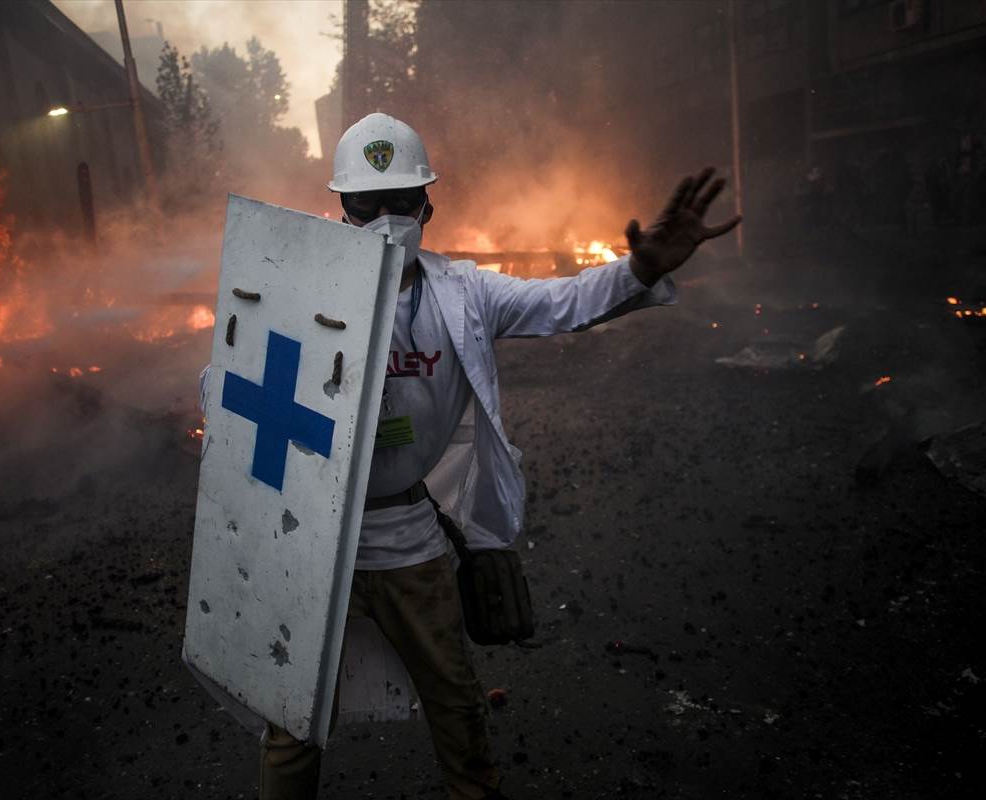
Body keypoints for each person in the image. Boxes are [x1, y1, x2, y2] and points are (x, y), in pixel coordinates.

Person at [255, 112, 740, 799]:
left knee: (455, 707)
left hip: (408, 545)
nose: (385, 219)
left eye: (400, 203)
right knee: (290, 721)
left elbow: (563, 301)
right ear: (340, 209)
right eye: (367, 204)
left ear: (428, 205)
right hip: (313, 538)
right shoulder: (294, 298)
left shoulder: (463, 293)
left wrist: (638, 270)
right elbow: (230, 388)